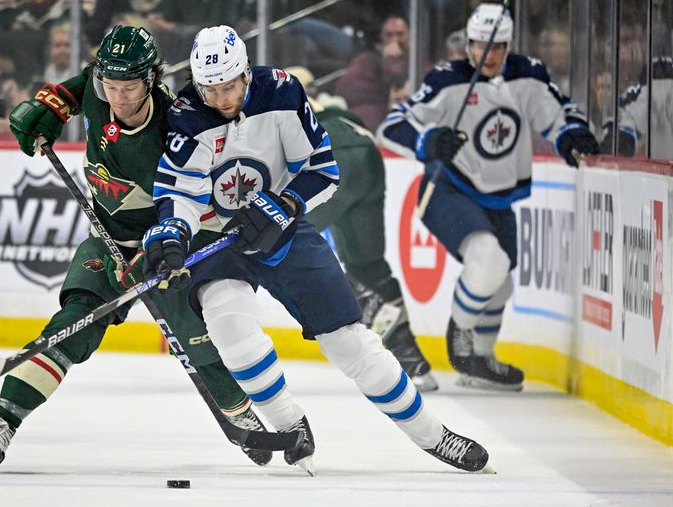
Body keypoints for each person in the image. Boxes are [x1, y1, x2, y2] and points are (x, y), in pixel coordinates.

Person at [145, 24, 489, 475]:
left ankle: (434, 435)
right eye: (210, 89)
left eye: (229, 87)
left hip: (285, 234)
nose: (222, 99)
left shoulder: (283, 93)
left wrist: (283, 205)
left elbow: (322, 171)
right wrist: (173, 234)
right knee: (229, 328)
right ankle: (290, 426)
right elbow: (182, 195)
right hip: (219, 241)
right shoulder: (188, 115)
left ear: (246, 74)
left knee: (351, 343)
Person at [0, 25, 274, 473]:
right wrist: (50, 107)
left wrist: (157, 252)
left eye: (129, 88)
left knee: (197, 340)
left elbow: (195, 202)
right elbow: (78, 84)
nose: (119, 98)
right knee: (72, 325)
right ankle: (1, 422)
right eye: (111, 87)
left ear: (152, 80)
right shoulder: (100, 87)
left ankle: (243, 417)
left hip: (165, 247)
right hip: (106, 239)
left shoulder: (176, 128)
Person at [379, 4, 600, 391]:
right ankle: (461, 339)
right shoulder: (448, 80)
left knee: (499, 282)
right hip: (447, 188)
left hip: (498, 196)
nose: (489, 55)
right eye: (481, 45)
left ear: (507, 44)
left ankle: (480, 361)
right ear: (468, 43)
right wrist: (427, 140)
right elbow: (393, 126)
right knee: (489, 260)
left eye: (497, 46)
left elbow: (559, 113)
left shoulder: (527, 74)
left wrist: (570, 135)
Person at [285, 65, 437, 392]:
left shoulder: (276, 107)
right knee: (367, 263)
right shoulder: (332, 106)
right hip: (367, 156)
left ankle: (371, 305)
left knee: (283, 242)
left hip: (333, 159)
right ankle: (414, 363)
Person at [335, 15, 410, 132]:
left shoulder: (417, 61)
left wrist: (393, 62)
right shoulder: (366, 60)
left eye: (399, 34)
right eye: (389, 35)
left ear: (409, 36)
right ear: (381, 37)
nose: (394, 40)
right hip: (370, 128)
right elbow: (344, 88)